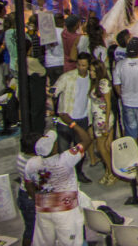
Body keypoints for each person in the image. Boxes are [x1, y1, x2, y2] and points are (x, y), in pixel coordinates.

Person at [24, 127, 90, 246]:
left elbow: (28, 185)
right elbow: (86, 140)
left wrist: (39, 200)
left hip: (43, 210)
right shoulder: (66, 158)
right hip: (66, 212)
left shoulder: (31, 163)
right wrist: (72, 123)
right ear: (54, 148)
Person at [52, 52, 93, 182]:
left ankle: (78, 173)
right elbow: (55, 89)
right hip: (66, 120)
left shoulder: (92, 78)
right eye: (79, 65)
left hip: (83, 118)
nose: (81, 67)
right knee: (64, 152)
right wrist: (51, 91)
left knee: (80, 150)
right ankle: (65, 177)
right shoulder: (67, 77)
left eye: (84, 65)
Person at [113, 38, 138, 149]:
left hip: (127, 103)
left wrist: (123, 96)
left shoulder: (120, 65)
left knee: (131, 134)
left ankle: (133, 159)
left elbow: (116, 85)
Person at [86, 61, 117, 185]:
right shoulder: (94, 83)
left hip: (103, 119)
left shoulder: (104, 83)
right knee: (104, 147)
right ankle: (108, 172)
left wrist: (106, 122)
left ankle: (112, 172)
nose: (91, 73)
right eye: (90, 70)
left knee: (101, 147)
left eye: (93, 70)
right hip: (97, 118)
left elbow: (108, 103)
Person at [16, 132, 40, 246]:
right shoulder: (32, 163)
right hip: (30, 198)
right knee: (31, 230)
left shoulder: (21, 156)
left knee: (30, 228)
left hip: (23, 195)